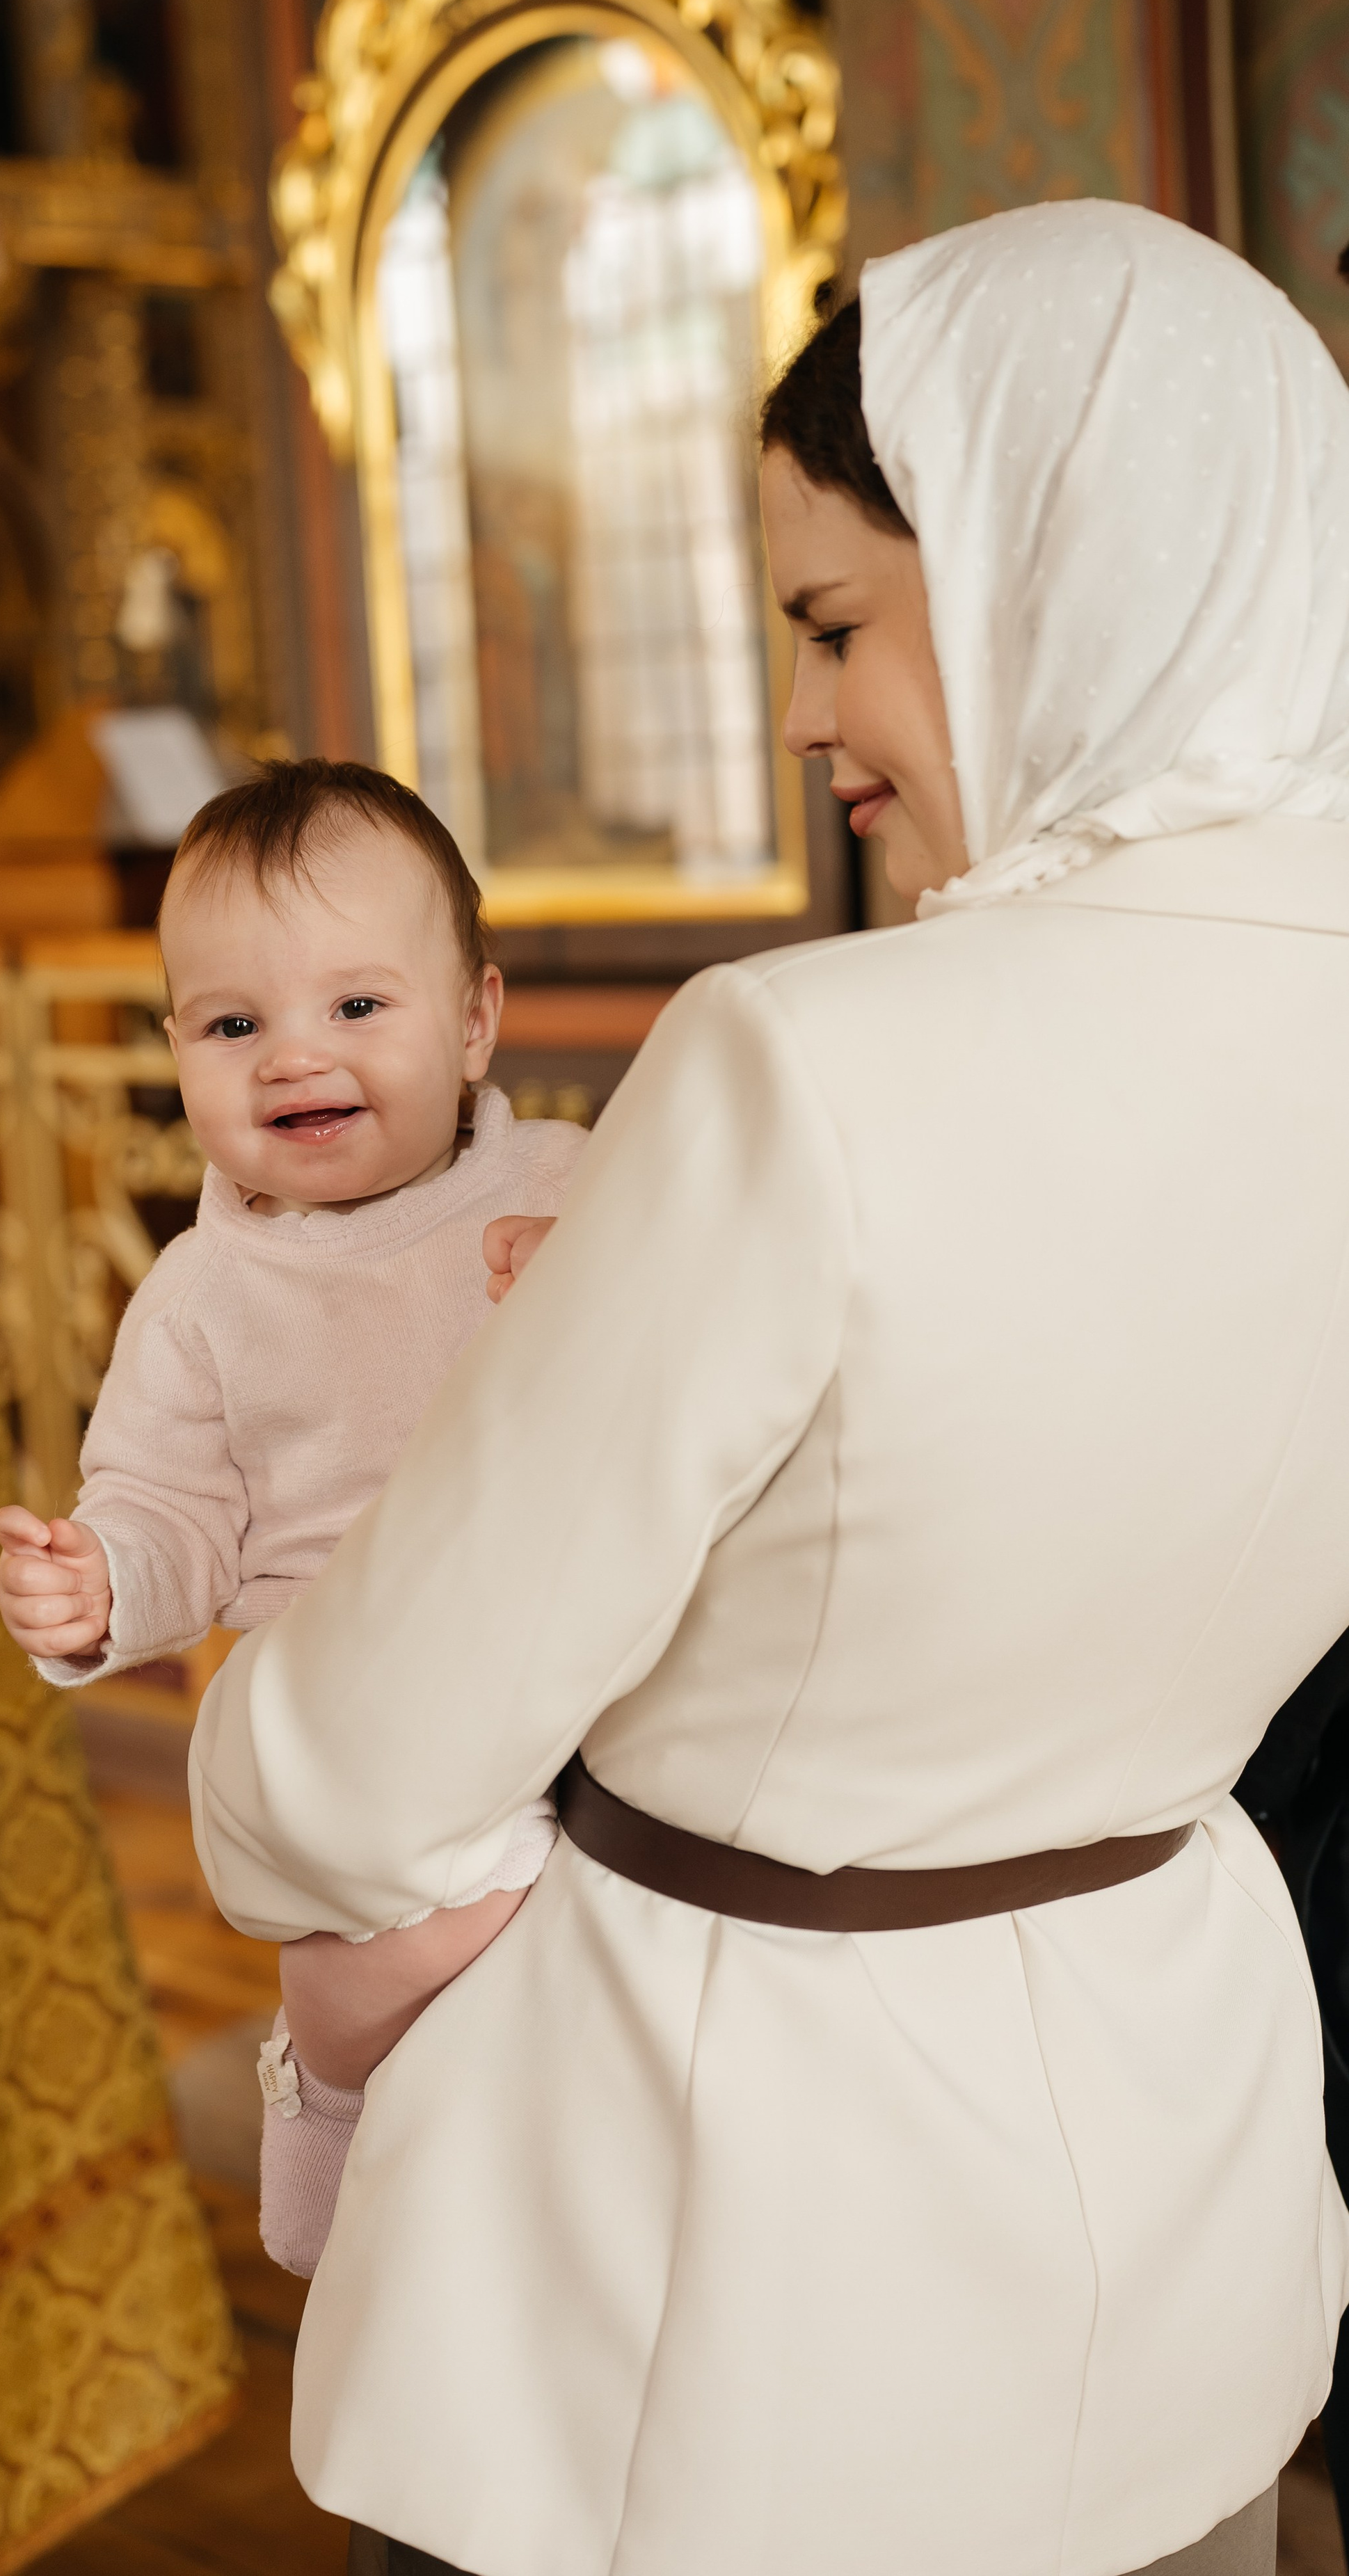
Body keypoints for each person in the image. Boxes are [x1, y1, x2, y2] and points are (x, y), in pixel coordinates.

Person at [189, 200, 1349, 2576]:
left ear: (1059, 554)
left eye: (836, 625)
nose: (807, 713)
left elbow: (337, 1774)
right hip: (1187, 2130)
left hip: (742, 2249)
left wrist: (252, 1713)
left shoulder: (798, 1063)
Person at [0, 758, 585, 2272]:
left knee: (563, 1963)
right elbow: (166, 1500)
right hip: (345, 1708)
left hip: (564, 1666)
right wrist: (106, 1581)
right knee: (373, 1948)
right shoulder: (204, 1297)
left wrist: (590, 1276)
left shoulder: (568, 1186)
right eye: (234, 1023)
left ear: (472, 1022)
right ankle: (325, 2099)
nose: (290, 1058)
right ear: (175, 1048)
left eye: (355, 1008)